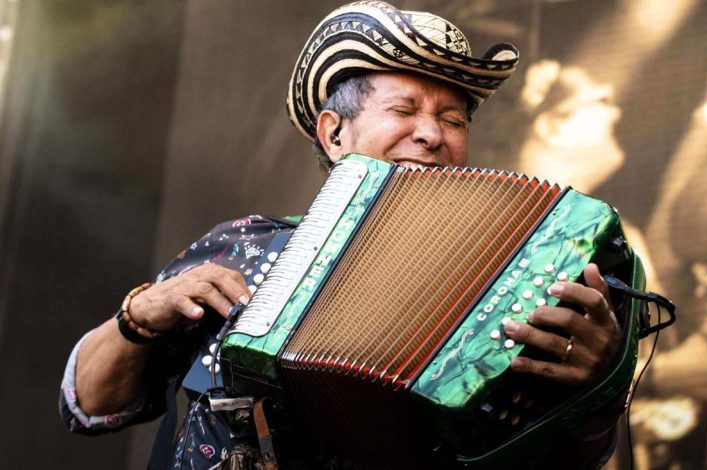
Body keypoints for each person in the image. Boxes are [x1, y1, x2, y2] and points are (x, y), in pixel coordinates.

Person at [60, 2, 627, 468]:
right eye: (404, 108)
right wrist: (135, 319)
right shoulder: (244, 246)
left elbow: (561, 462)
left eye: (453, 120)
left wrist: (598, 393)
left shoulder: (516, 281)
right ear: (334, 133)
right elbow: (88, 408)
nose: (431, 134)